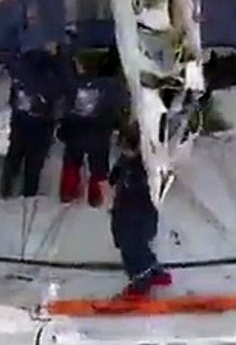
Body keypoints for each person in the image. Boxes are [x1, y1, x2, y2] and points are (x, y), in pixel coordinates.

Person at [1, 41, 73, 198]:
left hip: (35, 120)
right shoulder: (44, 67)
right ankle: (16, 193)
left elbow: (66, 84)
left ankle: (16, 193)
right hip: (33, 120)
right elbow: (66, 83)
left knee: (25, 160)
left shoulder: (34, 66)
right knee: (23, 160)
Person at [108, 125, 171, 298]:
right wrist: (114, 178)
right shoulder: (126, 160)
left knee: (133, 250)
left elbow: (151, 186)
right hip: (124, 211)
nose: (124, 151)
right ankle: (154, 271)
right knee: (137, 246)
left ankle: (141, 281)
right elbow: (118, 171)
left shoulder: (146, 166)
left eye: (128, 148)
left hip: (138, 215)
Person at [59, 54, 124, 206]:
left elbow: (65, 105)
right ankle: (95, 196)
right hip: (99, 133)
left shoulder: (73, 83)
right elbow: (117, 105)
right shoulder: (110, 85)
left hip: (75, 130)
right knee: (99, 167)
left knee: (72, 162)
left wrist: (64, 126)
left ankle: (68, 192)